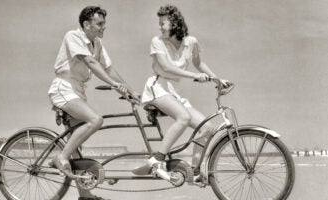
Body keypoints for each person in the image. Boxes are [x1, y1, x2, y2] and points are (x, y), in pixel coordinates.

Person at [48, 6, 139, 200]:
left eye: (104, 23)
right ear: (86, 24)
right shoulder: (73, 36)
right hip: (64, 88)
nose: (103, 27)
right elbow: (91, 63)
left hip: (78, 91)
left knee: (77, 147)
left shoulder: (96, 42)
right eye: (99, 24)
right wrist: (114, 85)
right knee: (95, 120)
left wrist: (131, 91)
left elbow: (109, 68)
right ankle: (60, 158)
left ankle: (85, 195)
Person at [141, 4, 229, 181]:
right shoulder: (157, 41)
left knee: (207, 128)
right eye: (159, 23)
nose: (160, 27)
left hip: (174, 91)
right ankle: (157, 159)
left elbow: (198, 63)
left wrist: (216, 79)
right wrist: (194, 76)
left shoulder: (191, 42)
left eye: (162, 23)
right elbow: (166, 67)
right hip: (158, 88)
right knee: (184, 117)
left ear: (174, 23)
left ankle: (194, 171)